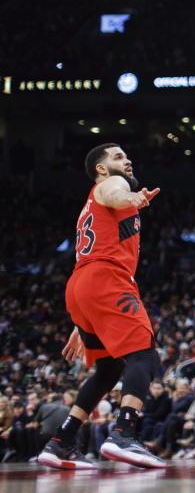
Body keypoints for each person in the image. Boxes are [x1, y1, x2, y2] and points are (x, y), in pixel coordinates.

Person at [39, 143, 164, 470]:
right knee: (144, 354)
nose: (128, 160)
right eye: (119, 157)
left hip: (83, 285)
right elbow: (114, 192)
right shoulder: (110, 184)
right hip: (105, 279)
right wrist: (131, 198)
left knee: (109, 368)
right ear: (101, 168)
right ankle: (123, 434)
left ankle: (61, 442)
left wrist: (84, 320)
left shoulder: (91, 204)